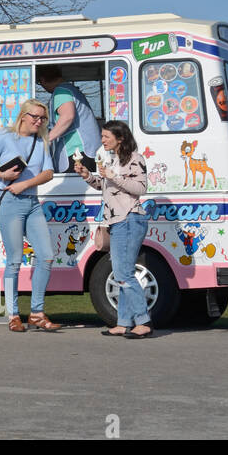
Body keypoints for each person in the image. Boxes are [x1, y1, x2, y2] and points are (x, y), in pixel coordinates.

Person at [0, 99, 60, 332]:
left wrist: (25, 185)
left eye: (43, 118)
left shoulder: (41, 141)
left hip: (31, 202)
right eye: (35, 117)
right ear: (23, 115)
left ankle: (36, 313)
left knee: (46, 256)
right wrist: (2, 174)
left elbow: (48, 173)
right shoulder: (5, 137)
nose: (39, 121)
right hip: (9, 203)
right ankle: (13, 315)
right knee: (14, 260)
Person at [79, 121, 151, 338]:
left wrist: (113, 176)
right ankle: (123, 322)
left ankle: (143, 321)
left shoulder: (135, 160)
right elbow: (105, 187)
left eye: (106, 137)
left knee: (123, 273)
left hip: (129, 219)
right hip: (117, 221)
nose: (102, 140)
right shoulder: (113, 160)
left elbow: (140, 188)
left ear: (120, 139)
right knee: (121, 273)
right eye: (102, 136)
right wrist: (87, 175)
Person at [37, 65, 100, 173]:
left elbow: (67, 116)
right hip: (89, 149)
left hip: (78, 151)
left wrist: (46, 140)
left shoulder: (61, 92)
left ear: (42, 80)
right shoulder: (71, 90)